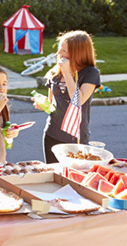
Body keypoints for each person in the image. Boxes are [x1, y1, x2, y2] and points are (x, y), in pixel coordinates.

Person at [37, 30, 100, 163]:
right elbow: (51, 102)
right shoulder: (55, 72)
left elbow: (78, 100)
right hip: (52, 133)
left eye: (63, 51)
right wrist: (43, 104)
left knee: (72, 178)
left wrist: (67, 73)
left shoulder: (90, 73)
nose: (58, 53)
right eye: (59, 49)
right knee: (53, 175)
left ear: (78, 53)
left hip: (75, 136)